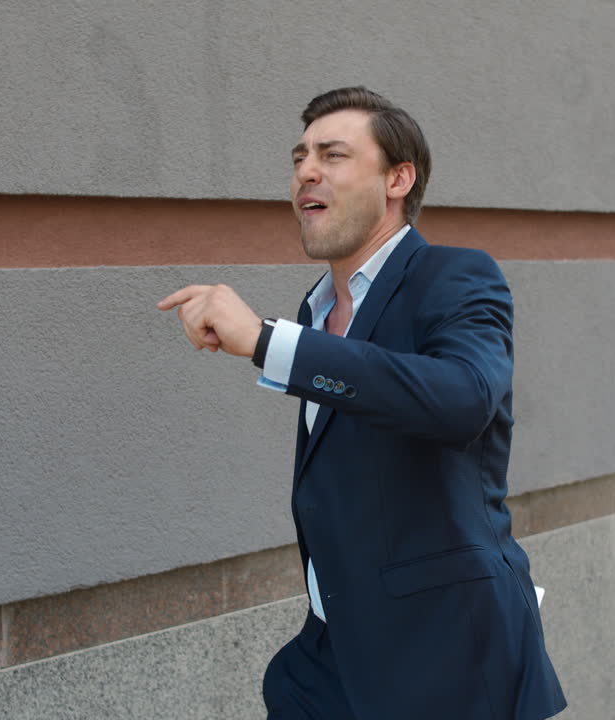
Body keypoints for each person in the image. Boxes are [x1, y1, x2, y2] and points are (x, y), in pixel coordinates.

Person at [158, 87, 566, 720]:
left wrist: (269, 344)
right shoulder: (316, 309)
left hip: (447, 657)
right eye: (299, 157)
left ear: (397, 179)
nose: (306, 171)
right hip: (331, 654)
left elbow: (464, 399)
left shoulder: (455, 275)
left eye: (333, 154)